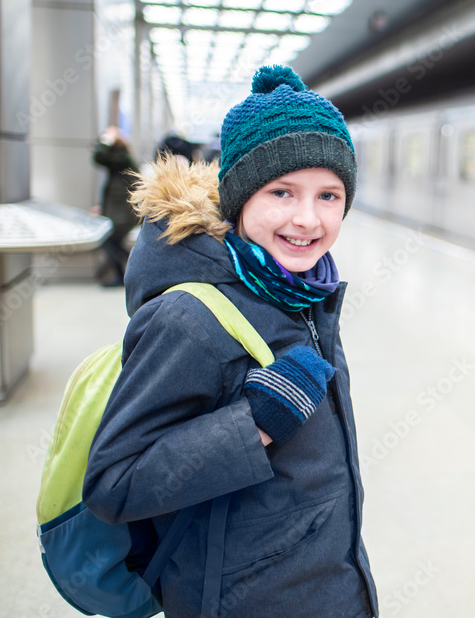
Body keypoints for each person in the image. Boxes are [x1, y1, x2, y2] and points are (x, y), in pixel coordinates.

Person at [83, 66, 378, 618]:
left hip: (327, 585)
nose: (308, 219)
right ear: (240, 197)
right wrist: (256, 424)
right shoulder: (190, 317)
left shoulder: (301, 294)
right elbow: (113, 483)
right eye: (281, 192)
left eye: (329, 195)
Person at [93, 125, 139, 286]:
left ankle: (133, 269)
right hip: (120, 213)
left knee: (110, 241)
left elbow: (99, 156)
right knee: (113, 242)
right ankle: (124, 274)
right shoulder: (119, 161)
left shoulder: (122, 159)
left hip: (123, 215)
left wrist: (107, 140)